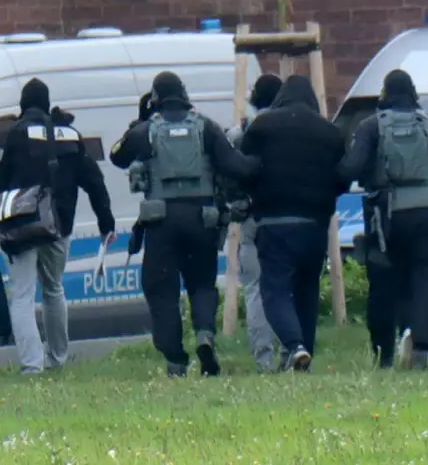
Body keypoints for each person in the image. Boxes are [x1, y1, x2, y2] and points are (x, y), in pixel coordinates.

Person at [109, 71, 258, 377]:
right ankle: (205, 334)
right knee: (202, 283)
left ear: (155, 99)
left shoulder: (147, 130)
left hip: (161, 222)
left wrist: (140, 120)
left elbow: (117, 157)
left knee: (161, 289)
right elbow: (236, 166)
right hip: (201, 218)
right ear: (184, 94)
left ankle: (176, 359)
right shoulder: (206, 127)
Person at [0, 78, 116, 375]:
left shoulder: (12, 135)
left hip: (21, 229)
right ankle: (57, 358)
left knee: (23, 294)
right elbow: (95, 182)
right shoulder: (70, 136)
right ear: (47, 103)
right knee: (54, 289)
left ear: (23, 105)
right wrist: (106, 223)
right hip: (58, 226)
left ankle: (31, 365)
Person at [340, 69, 428, 370]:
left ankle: (383, 351)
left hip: (386, 216)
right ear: (414, 95)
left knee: (384, 282)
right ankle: (424, 346)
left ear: (384, 95)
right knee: (426, 276)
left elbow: (351, 168)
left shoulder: (371, 127)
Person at [240, 74, 349, 372]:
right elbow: (342, 175)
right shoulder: (329, 132)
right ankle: (305, 354)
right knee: (307, 289)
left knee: (275, 288)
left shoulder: (262, 127)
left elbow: (244, 166)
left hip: (273, 221)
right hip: (314, 224)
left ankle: (294, 345)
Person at [226, 73, 284, 373]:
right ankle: (293, 348)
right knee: (287, 286)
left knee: (255, 288)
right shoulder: (292, 130)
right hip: (287, 215)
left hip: (252, 217)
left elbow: (225, 163)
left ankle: (264, 359)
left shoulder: (242, 132)